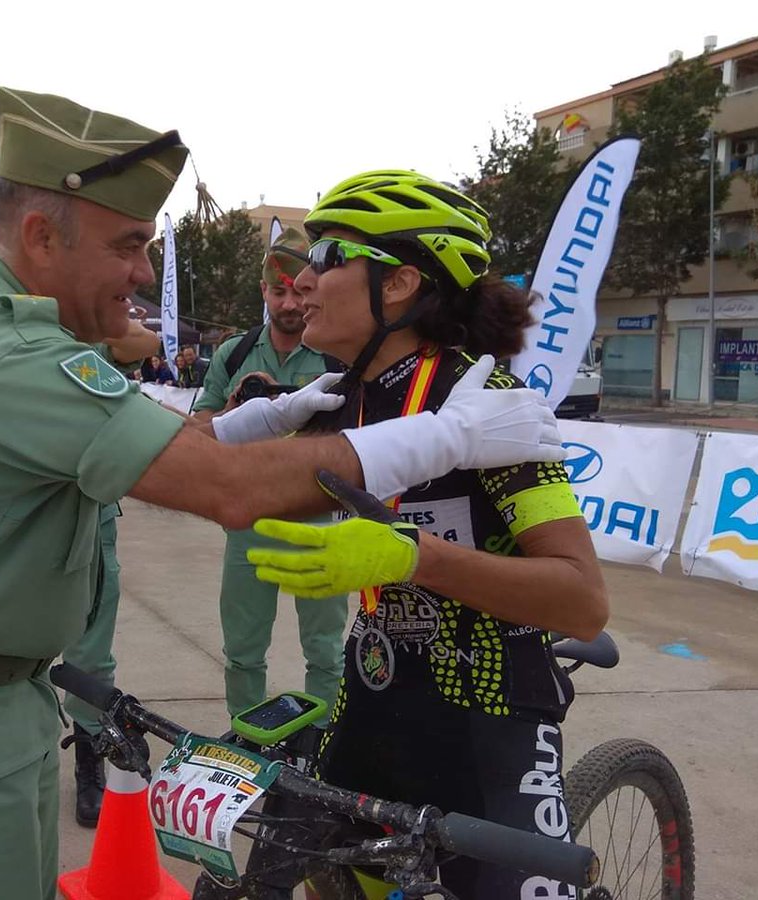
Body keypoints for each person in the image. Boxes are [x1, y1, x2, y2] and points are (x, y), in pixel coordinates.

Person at [0, 89, 562, 900]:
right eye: (127, 245)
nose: (144, 272)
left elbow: (160, 443)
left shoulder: (13, 337)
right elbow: (222, 488)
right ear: (42, 236)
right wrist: (442, 438)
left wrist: (262, 419)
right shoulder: (10, 356)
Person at [243, 171, 608, 899]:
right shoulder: (339, 399)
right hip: (375, 689)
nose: (302, 279)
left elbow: (582, 600)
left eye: (328, 256)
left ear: (401, 282)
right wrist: (255, 421)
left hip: (489, 712)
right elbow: (216, 477)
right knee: (326, 881)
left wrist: (418, 556)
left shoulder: (486, 403)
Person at [191, 226, 348, 723]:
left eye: (299, 291)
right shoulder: (235, 353)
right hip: (249, 521)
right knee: (242, 649)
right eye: (278, 291)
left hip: (319, 521)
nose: (289, 304)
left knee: (326, 651)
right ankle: (246, 738)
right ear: (264, 290)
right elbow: (198, 429)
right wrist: (236, 408)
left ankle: (323, 743)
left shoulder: (338, 354)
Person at [62, 310, 161, 827]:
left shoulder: (85, 350)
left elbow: (142, 342)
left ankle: (87, 759)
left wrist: (89, 319)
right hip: (17, 516)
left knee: (89, 651)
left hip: (89, 518)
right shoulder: (10, 348)